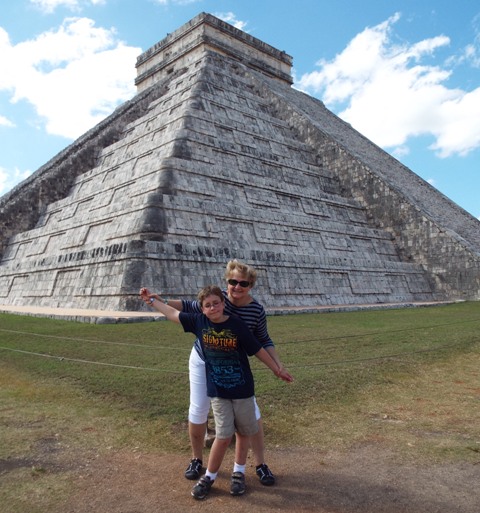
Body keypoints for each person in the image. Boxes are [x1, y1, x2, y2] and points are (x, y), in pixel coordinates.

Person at [140, 260, 291, 486]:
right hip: (203, 359)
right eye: (232, 282)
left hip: (234, 366)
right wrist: (158, 300)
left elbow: (263, 341)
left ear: (251, 285)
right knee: (199, 408)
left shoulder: (255, 310)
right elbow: (187, 307)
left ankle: (260, 464)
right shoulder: (216, 301)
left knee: (252, 415)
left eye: (243, 283)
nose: (237, 287)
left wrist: (277, 366)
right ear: (226, 283)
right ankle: (196, 459)